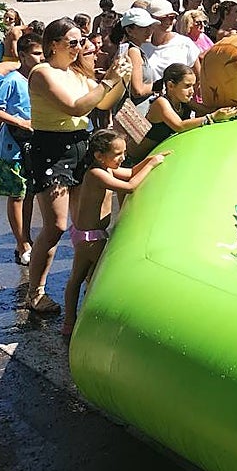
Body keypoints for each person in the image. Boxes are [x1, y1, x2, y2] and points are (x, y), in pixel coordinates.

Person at [24, 18, 128, 314]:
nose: (79, 47)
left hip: (80, 145)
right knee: (55, 226)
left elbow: (104, 103)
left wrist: (119, 79)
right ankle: (36, 292)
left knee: (88, 223)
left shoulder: (77, 74)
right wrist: (108, 80)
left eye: (81, 42)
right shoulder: (42, 73)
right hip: (52, 149)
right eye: (73, 42)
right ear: (53, 44)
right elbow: (75, 107)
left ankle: (88, 281)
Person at [62, 129, 168, 337]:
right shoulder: (96, 174)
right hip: (92, 237)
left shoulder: (106, 169)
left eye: (124, 152)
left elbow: (130, 173)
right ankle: (87, 321)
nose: (123, 158)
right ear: (99, 156)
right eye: (118, 154)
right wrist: (153, 164)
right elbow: (129, 186)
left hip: (84, 234)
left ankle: (69, 322)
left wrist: (150, 160)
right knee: (96, 279)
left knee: (78, 278)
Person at [0, 32, 44, 265]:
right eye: (36, 54)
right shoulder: (12, 80)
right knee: (16, 196)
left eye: (43, 53)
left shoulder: (39, 78)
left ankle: (26, 238)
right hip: (11, 147)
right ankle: (21, 244)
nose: (41, 58)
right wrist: (20, 122)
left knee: (28, 193)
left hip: (31, 145)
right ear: (22, 55)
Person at [132, 63, 237, 159]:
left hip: (160, 154)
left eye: (193, 86)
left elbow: (206, 110)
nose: (192, 91)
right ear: (170, 86)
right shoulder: (161, 103)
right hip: (135, 159)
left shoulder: (184, 101)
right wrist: (212, 117)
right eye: (187, 86)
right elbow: (179, 126)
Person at [143, 0, 202, 83]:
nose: (167, 21)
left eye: (171, 17)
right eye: (162, 18)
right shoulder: (141, 46)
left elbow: (198, 79)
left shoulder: (185, 43)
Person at [112, 6, 159, 109]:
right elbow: (138, 91)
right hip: (137, 113)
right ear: (129, 30)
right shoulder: (133, 51)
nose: (149, 30)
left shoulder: (126, 48)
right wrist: (158, 86)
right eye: (143, 27)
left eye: (150, 26)